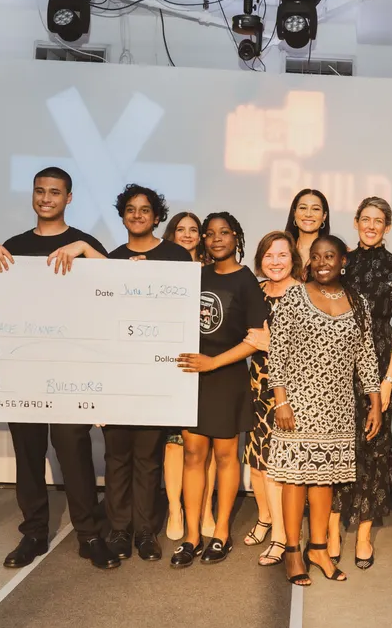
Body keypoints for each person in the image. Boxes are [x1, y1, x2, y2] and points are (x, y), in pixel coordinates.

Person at [0, 167, 119, 571]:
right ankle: (34, 533)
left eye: (55, 192)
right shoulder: (14, 245)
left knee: (73, 451)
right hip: (24, 368)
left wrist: (84, 251)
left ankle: (89, 535)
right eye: (40, 191)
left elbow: (119, 289)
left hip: (70, 369)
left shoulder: (85, 243)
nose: (46, 199)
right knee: (28, 454)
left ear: (68, 198)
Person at [47, 183, 191, 563]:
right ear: (123, 215)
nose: (138, 215)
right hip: (117, 379)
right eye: (131, 209)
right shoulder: (110, 261)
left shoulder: (177, 257)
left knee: (148, 458)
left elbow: (182, 316)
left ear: (157, 216)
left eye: (146, 210)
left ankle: (145, 532)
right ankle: (120, 529)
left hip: (156, 379)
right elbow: (98, 325)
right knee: (116, 458)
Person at [267, 234, 382, 586]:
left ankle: (318, 549)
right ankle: (291, 550)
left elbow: (365, 355)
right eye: (315, 257)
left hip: (339, 407)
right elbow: (277, 352)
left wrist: (375, 401)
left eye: (329, 256)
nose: (322, 263)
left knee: (323, 480)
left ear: (342, 260)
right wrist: (281, 401)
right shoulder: (294, 297)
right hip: (298, 405)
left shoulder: (358, 301)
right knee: (294, 479)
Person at [171, 212, 269, 567]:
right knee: (193, 455)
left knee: (227, 457)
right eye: (210, 233)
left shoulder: (246, 281)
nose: (216, 239)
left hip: (226, 377)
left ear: (236, 237)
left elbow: (259, 339)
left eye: (224, 233)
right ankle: (192, 536)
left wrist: (214, 362)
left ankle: (222, 532)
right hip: (192, 377)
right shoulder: (195, 276)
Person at [330, 197, 392, 569]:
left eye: (379, 220)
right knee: (337, 444)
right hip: (339, 361)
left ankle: (362, 534)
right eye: (366, 218)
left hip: (378, 361)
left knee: (373, 447)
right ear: (357, 221)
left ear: (388, 227)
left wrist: (389, 379)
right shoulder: (341, 261)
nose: (372, 225)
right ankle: (331, 529)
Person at [241, 232, 301, 566]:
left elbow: (312, 350)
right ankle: (264, 517)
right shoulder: (256, 290)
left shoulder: (305, 295)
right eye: (268, 255)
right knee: (257, 461)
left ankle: (282, 535)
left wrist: (270, 344)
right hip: (255, 388)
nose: (275, 261)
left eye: (282, 255)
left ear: (293, 259)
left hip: (288, 392)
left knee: (279, 467)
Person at [161, 210, 214, 539]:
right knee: (175, 443)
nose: (188, 234)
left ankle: (205, 507)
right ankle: (174, 510)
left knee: (204, 444)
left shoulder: (214, 272)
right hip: (171, 366)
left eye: (194, 230)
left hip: (209, 365)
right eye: (181, 229)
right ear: (170, 234)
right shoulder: (161, 269)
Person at [283, 189, 330, 274]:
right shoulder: (282, 248)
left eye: (315, 209)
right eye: (303, 208)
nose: (308, 214)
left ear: (324, 216)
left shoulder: (334, 251)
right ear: (294, 213)